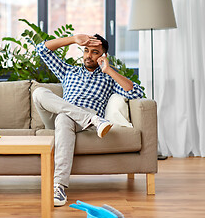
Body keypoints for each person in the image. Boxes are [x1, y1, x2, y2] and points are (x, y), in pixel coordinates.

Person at [33, 34, 144, 207]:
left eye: (94, 52)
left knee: (64, 118)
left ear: (103, 56)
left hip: (75, 124)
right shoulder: (68, 71)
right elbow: (41, 49)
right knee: (39, 93)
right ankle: (94, 120)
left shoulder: (108, 78)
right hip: (65, 117)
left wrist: (109, 70)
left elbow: (136, 93)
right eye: (86, 50)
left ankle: (59, 186)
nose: (88, 55)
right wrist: (73, 39)